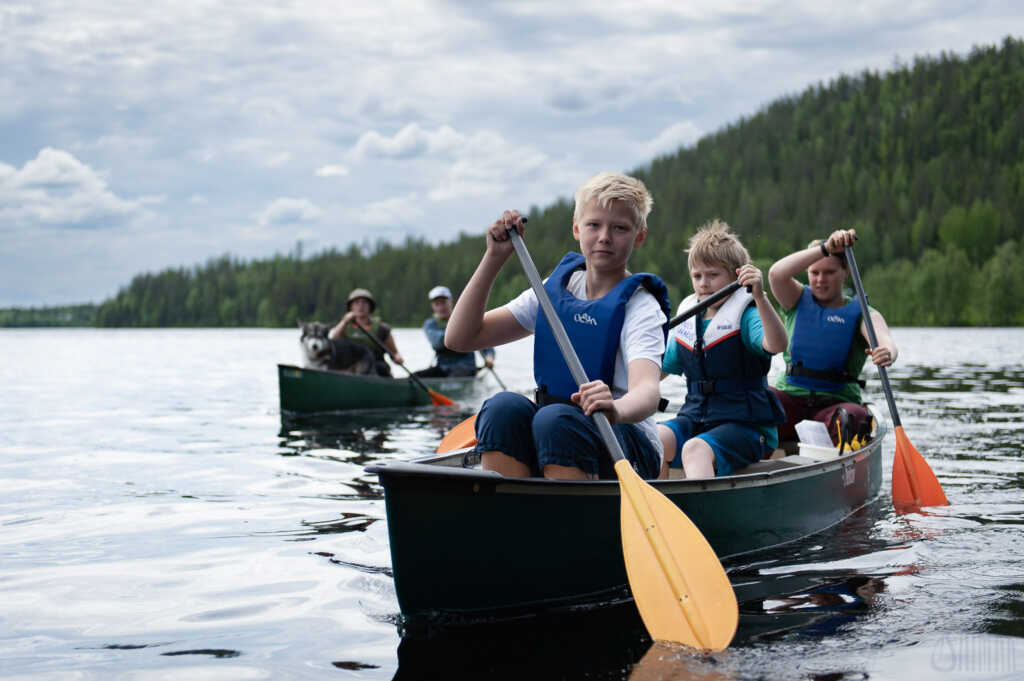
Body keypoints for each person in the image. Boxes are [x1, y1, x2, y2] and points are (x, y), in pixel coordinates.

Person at [444, 171, 670, 480]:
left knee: (555, 420)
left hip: (626, 442)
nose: (604, 236)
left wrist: (615, 409)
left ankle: (565, 505)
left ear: (639, 237)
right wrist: (494, 258)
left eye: (619, 228)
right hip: (557, 427)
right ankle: (508, 499)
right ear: (577, 228)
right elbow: (460, 338)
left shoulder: (641, 308)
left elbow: (647, 390)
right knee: (502, 408)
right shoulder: (554, 290)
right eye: (594, 225)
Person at [657, 220, 788, 479]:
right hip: (697, 419)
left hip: (748, 427)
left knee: (695, 449)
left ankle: (703, 506)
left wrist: (760, 297)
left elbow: (777, 344)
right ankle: (654, 505)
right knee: (654, 438)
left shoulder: (748, 316)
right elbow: (654, 372)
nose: (703, 283)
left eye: (713, 275)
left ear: (736, 277)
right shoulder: (689, 320)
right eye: (697, 276)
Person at [767, 228, 897, 445]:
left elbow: (885, 341)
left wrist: (887, 352)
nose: (820, 279)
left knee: (852, 417)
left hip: (836, 403)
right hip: (790, 398)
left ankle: (835, 458)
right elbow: (776, 274)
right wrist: (825, 248)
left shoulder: (862, 313)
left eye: (829, 272)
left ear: (846, 272)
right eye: (814, 272)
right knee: (759, 400)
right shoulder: (795, 298)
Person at [414, 285, 495, 378]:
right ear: (433, 306)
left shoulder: (465, 320)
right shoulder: (430, 324)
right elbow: (437, 342)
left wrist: (489, 357)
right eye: (437, 304)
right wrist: (462, 330)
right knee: (414, 377)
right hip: (443, 367)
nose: (441, 307)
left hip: (466, 367)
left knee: (455, 377)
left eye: (443, 303)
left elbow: (484, 343)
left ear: (450, 302)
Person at [329, 288, 404, 377]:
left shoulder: (381, 328)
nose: (360, 306)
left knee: (381, 368)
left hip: (374, 368)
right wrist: (344, 321)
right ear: (351, 307)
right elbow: (333, 341)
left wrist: (397, 357)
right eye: (357, 303)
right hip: (350, 368)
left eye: (364, 302)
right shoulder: (345, 326)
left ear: (370, 306)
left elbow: (394, 353)